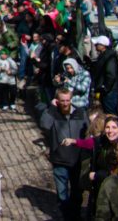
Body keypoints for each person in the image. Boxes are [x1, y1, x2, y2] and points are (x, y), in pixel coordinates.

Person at [40, 87, 89, 221]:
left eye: (68, 100)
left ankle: (76, 215)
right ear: (57, 100)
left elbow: (88, 132)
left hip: (77, 159)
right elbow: (44, 125)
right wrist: (51, 108)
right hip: (59, 159)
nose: (66, 103)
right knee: (62, 193)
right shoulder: (52, 113)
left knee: (77, 192)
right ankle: (67, 216)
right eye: (62, 100)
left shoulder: (80, 113)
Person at [92, 35, 118, 115]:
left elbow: (111, 75)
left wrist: (105, 88)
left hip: (110, 92)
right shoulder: (104, 56)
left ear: (103, 46)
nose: (95, 46)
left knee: (111, 114)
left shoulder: (110, 57)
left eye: (97, 44)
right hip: (107, 91)